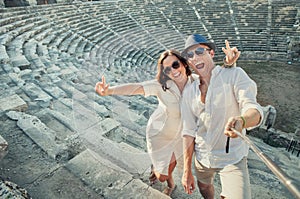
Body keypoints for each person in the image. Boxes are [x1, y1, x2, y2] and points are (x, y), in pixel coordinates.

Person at [95, 45, 238, 197]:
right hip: (161, 134)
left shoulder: (197, 81)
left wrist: (229, 64)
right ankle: (168, 181)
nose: (173, 71)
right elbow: (136, 88)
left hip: (183, 137)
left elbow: (218, 80)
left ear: (183, 63)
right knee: (161, 176)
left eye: (175, 65)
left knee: (174, 165)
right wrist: (109, 91)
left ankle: (167, 177)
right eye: (167, 69)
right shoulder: (161, 86)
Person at [180, 34, 264, 199]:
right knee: (204, 187)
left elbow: (251, 106)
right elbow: (188, 131)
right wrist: (186, 171)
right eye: (190, 55)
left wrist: (243, 120)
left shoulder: (234, 75)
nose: (195, 57)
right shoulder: (189, 91)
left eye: (199, 51)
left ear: (211, 53)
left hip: (231, 157)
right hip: (202, 156)